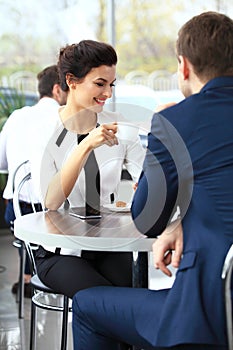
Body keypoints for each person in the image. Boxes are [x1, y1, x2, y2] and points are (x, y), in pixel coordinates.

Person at [71, 11, 233, 350]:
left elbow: (146, 219)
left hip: (209, 315)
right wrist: (183, 224)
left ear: (184, 66)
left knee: (87, 305)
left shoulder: (178, 121)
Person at [29, 40, 145, 299]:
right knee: (104, 301)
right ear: (72, 81)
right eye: (100, 84)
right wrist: (86, 145)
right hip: (60, 252)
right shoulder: (44, 131)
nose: (108, 94)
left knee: (134, 295)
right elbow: (51, 201)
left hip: (109, 244)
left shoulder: (120, 126)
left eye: (111, 84)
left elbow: (148, 173)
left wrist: (148, 184)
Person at [0, 65, 67, 297]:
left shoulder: (17, 116)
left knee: (24, 225)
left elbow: (1, 162)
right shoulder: (62, 119)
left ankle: (28, 276)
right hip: (53, 215)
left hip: (17, 213)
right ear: (58, 90)